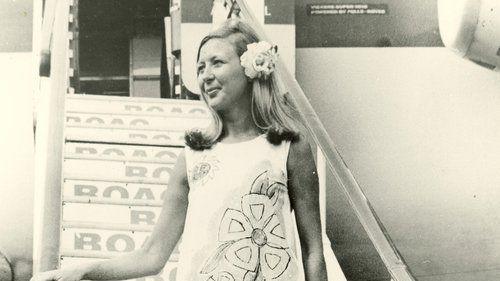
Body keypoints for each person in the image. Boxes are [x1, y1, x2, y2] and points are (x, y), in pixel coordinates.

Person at [32, 18, 328, 281]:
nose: (205, 75)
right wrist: (80, 272)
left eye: (217, 63)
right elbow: (151, 256)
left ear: (251, 68)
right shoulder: (193, 157)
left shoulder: (289, 147)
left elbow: (313, 249)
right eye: (200, 67)